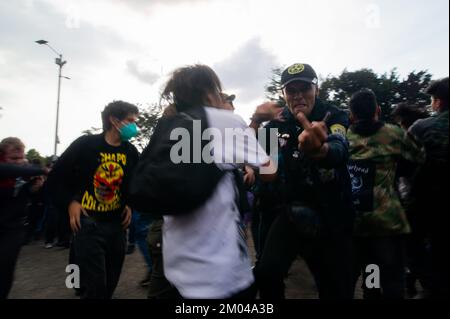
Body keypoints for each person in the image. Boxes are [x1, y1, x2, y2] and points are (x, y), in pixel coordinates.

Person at [135, 64, 276, 299]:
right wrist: (261, 122)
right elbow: (269, 171)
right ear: (210, 93)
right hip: (222, 274)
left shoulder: (167, 127)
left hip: (177, 269)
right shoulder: (222, 122)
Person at [251, 63, 355, 299]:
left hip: (332, 213)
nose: (298, 95)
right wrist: (262, 159)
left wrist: (321, 150)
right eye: (291, 90)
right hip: (290, 213)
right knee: (267, 273)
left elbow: (340, 147)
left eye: (305, 88)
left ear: (316, 89)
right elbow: (267, 173)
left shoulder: (334, 115)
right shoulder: (273, 126)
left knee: (337, 288)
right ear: (283, 94)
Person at [47, 100, 140, 299]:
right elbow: (57, 177)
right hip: (88, 225)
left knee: (109, 286)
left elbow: (135, 183)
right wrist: (70, 202)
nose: (135, 126)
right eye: (130, 120)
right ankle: (78, 285)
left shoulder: (131, 152)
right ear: (114, 121)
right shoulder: (85, 145)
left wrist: (130, 204)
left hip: (117, 227)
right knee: (95, 288)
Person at [346, 89, 425, 299]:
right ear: (378, 111)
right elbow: (419, 157)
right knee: (394, 282)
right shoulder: (394, 134)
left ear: (351, 115)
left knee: (372, 276)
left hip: (358, 224)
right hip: (388, 224)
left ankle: (372, 293)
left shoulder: (344, 139)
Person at [408, 77, 449, 299]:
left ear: (438, 102)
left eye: (432, 100)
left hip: (426, 208)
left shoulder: (422, 127)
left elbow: (403, 165)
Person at [0, 137, 47, 299]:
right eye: (13, 158)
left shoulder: (25, 174)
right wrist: (43, 170)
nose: (19, 162)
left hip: (14, 226)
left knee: (6, 266)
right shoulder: (8, 170)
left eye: (21, 158)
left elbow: (27, 195)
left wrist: (34, 188)